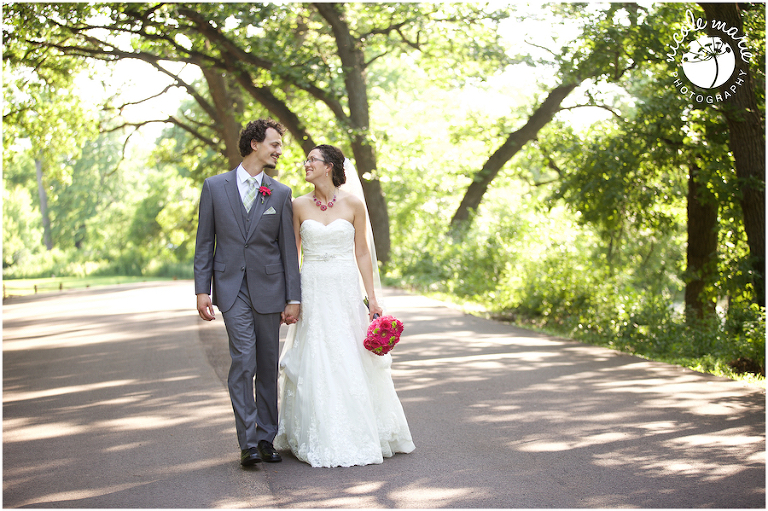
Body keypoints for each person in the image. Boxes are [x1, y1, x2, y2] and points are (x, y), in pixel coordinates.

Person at [274, 144, 415, 468]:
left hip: (344, 288)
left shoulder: (353, 204)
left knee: (348, 353)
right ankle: (316, 430)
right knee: (316, 352)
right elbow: (292, 255)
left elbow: (362, 252)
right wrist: (291, 297)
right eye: (306, 160)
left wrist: (372, 298)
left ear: (329, 167)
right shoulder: (297, 205)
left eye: (312, 160)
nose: (306, 164)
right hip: (312, 287)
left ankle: (360, 429)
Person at [194, 119, 301, 467]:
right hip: (230, 289)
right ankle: (248, 442)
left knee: (267, 364)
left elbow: (288, 251)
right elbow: (204, 242)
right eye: (274, 144)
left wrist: (293, 297)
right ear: (255, 144)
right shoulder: (214, 187)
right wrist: (202, 290)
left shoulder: (280, 193)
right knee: (244, 360)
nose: (279, 151)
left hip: (270, 289)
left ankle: (266, 437)